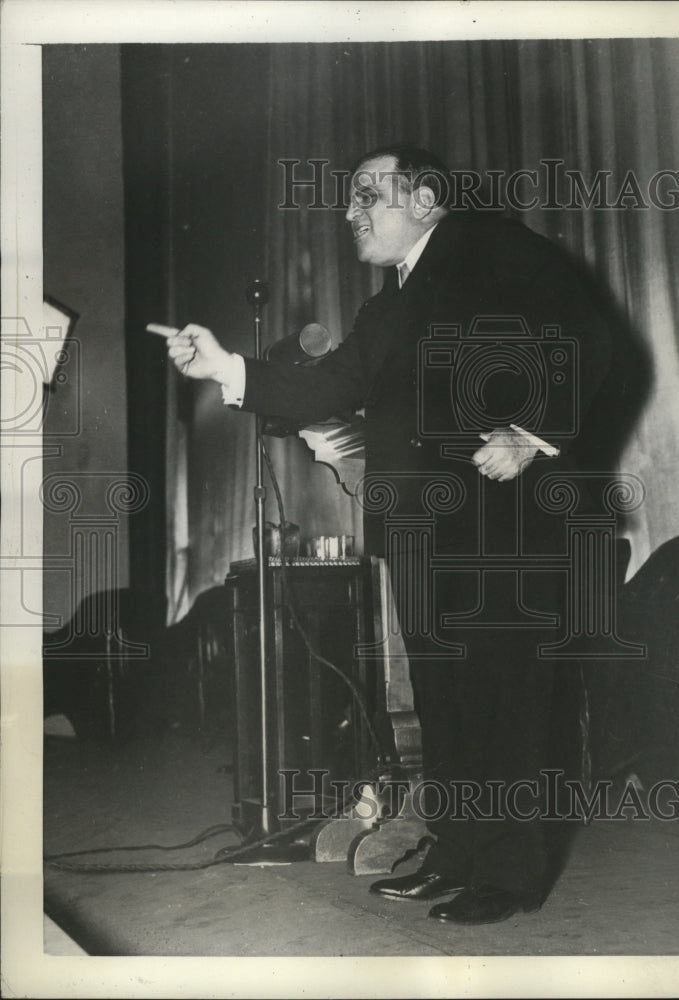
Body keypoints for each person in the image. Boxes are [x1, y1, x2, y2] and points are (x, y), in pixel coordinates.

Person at [166, 143, 612, 925]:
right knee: (445, 700)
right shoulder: (387, 306)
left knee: (504, 698)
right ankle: (458, 852)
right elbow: (323, 385)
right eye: (349, 199)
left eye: (367, 194)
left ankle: (509, 873)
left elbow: (591, 336)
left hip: (502, 521)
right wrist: (225, 368)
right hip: (421, 527)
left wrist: (531, 435)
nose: (349, 212)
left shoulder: (491, 247)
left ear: (426, 198)